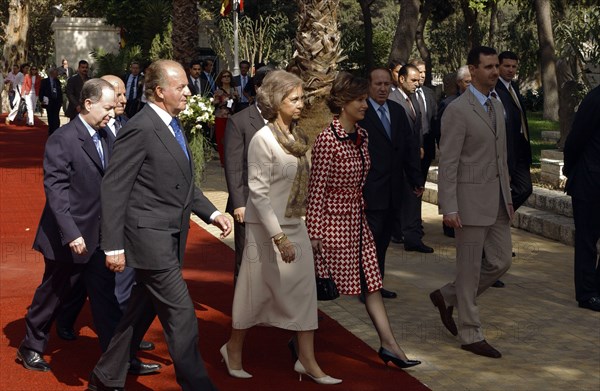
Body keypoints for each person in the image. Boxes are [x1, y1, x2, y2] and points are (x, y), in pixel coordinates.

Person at [89, 59, 231, 391]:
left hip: (170, 236)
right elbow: (114, 187)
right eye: (180, 86)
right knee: (182, 318)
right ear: (159, 91)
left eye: (186, 85)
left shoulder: (173, 123)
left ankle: (105, 376)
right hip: (149, 240)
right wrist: (112, 245)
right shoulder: (141, 128)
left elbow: (181, 182)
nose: (188, 91)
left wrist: (212, 213)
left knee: (139, 311)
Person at [221, 70, 341, 385]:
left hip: (296, 225)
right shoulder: (262, 139)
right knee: (255, 294)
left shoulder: (299, 136)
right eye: (294, 98)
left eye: (302, 98)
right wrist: (279, 238)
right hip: (267, 229)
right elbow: (258, 193)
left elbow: (308, 184)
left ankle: (307, 361)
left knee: (304, 294)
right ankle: (232, 348)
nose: (301, 104)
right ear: (276, 100)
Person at [306, 72, 421, 370]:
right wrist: (315, 235)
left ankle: (390, 346)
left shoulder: (363, 136)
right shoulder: (326, 141)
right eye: (359, 100)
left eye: (365, 99)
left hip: (358, 223)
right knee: (318, 290)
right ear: (344, 103)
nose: (366, 105)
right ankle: (300, 345)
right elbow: (316, 193)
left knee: (372, 283)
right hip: (331, 228)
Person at [16, 79, 124, 372]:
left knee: (104, 296)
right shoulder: (62, 139)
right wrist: (72, 232)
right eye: (107, 107)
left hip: (99, 235)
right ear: (88, 104)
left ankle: (118, 359)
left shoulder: (107, 136)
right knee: (54, 293)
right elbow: (56, 191)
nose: (111, 114)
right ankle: (31, 345)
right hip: (68, 237)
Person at [432, 46, 513, 358]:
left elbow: (500, 157)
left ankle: (446, 295)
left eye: (497, 66)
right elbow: (448, 162)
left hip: (497, 201)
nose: (495, 71)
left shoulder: (497, 103)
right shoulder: (458, 110)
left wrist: (507, 197)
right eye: (489, 67)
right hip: (467, 203)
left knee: (501, 261)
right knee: (469, 270)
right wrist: (448, 206)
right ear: (472, 70)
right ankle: (470, 333)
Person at [358, 68, 424, 300]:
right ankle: (367, 287)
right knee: (371, 240)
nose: (383, 88)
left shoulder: (397, 111)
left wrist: (416, 179)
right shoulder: (361, 113)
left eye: (386, 84)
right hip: (369, 189)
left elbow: (409, 148)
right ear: (369, 85)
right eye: (378, 84)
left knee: (384, 239)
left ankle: (376, 283)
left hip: (394, 188)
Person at [223, 65, 273, 285]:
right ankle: (243, 308)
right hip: (248, 201)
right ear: (258, 87)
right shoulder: (240, 121)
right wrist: (238, 204)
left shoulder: (285, 120)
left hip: (277, 202)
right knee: (247, 257)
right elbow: (233, 166)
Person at [563, 85, 600, 312]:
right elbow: (576, 139)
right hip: (590, 181)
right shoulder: (595, 99)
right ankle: (587, 294)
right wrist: (571, 169)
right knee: (587, 240)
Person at [394, 64, 434, 253]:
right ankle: (402, 232)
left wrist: (419, 146)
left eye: (419, 80)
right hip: (397, 160)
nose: (417, 84)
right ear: (401, 79)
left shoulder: (414, 99)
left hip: (413, 157)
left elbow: (417, 125)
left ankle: (413, 237)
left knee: (413, 196)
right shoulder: (393, 100)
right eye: (413, 80)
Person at [435, 65, 471, 239]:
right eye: (467, 82)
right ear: (459, 83)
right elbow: (441, 131)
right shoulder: (449, 104)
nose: (470, 86)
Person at [212, 69, 239, 166]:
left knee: (231, 139)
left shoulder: (234, 90)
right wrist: (218, 101)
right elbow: (214, 103)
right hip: (220, 117)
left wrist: (236, 97)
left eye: (228, 76)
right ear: (221, 79)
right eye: (224, 76)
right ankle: (223, 160)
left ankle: (230, 159)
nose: (227, 78)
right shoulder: (218, 91)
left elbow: (237, 104)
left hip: (231, 117)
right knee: (221, 138)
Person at [39, 67, 63, 134]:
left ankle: (56, 131)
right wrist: (41, 100)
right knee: (50, 116)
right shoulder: (44, 81)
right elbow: (41, 91)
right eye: (56, 72)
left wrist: (61, 101)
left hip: (56, 102)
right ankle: (51, 130)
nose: (57, 73)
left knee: (56, 117)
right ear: (51, 73)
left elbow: (60, 92)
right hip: (48, 101)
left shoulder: (57, 81)